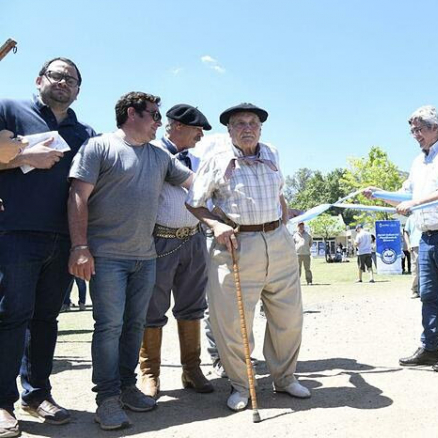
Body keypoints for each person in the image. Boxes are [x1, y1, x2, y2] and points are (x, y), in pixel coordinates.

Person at [67, 92, 193, 430]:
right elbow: (78, 195)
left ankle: (126, 387)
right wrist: (80, 246)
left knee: (134, 326)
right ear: (130, 113)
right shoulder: (99, 147)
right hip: (106, 257)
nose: (159, 122)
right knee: (109, 328)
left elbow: (196, 185)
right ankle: (106, 398)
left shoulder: (160, 157)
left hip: (145, 257)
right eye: (153, 114)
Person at [185, 102, 310, 413]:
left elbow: (278, 190)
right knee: (233, 324)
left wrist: (284, 214)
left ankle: (284, 378)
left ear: (260, 127)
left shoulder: (273, 154)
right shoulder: (216, 159)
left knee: (289, 318)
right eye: (239, 123)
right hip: (236, 245)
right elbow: (194, 202)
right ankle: (242, 385)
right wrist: (215, 225)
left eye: (252, 122)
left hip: (278, 242)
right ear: (229, 130)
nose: (247, 128)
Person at [0, 57, 95, 438]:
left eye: (71, 79)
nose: (63, 82)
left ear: (78, 90)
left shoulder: (84, 131)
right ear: (39, 79)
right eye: (56, 75)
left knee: (46, 321)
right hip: (15, 232)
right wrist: (24, 157)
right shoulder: (8, 110)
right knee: (10, 316)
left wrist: (82, 242)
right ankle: (3, 402)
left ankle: (37, 395)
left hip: (62, 239)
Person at [365, 105, 438, 373]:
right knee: (428, 295)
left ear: (436, 127)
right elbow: (405, 196)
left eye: (420, 129)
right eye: (412, 130)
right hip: (426, 238)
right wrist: (378, 194)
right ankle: (429, 347)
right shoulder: (417, 162)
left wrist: (414, 203)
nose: (416, 135)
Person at [138, 104, 214, 399]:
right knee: (152, 308)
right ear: (178, 127)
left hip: (194, 239)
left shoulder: (199, 159)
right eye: (197, 130)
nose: (200, 136)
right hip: (158, 240)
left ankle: (192, 369)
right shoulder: (151, 152)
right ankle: (149, 373)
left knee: (193, 305)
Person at [404, 214, 421, 298]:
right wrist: (408, 244)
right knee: (415, 269)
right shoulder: (411, 218)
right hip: (415, 245)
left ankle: (428, 290)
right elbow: (406, 232)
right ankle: (414, 290)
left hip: (429, 243)